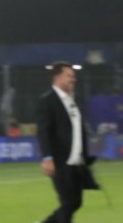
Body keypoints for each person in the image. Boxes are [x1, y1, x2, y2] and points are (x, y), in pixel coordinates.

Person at [36, 62, 98, 223]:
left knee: (75, 203)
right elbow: (44, 131)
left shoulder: (72, 101)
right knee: (69, 203)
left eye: (74, 76)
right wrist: (47, 157)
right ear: (57, 77)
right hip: (60, 161)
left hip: (77, 162)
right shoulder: (48, 100)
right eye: (69, 75)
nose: (73, 79)